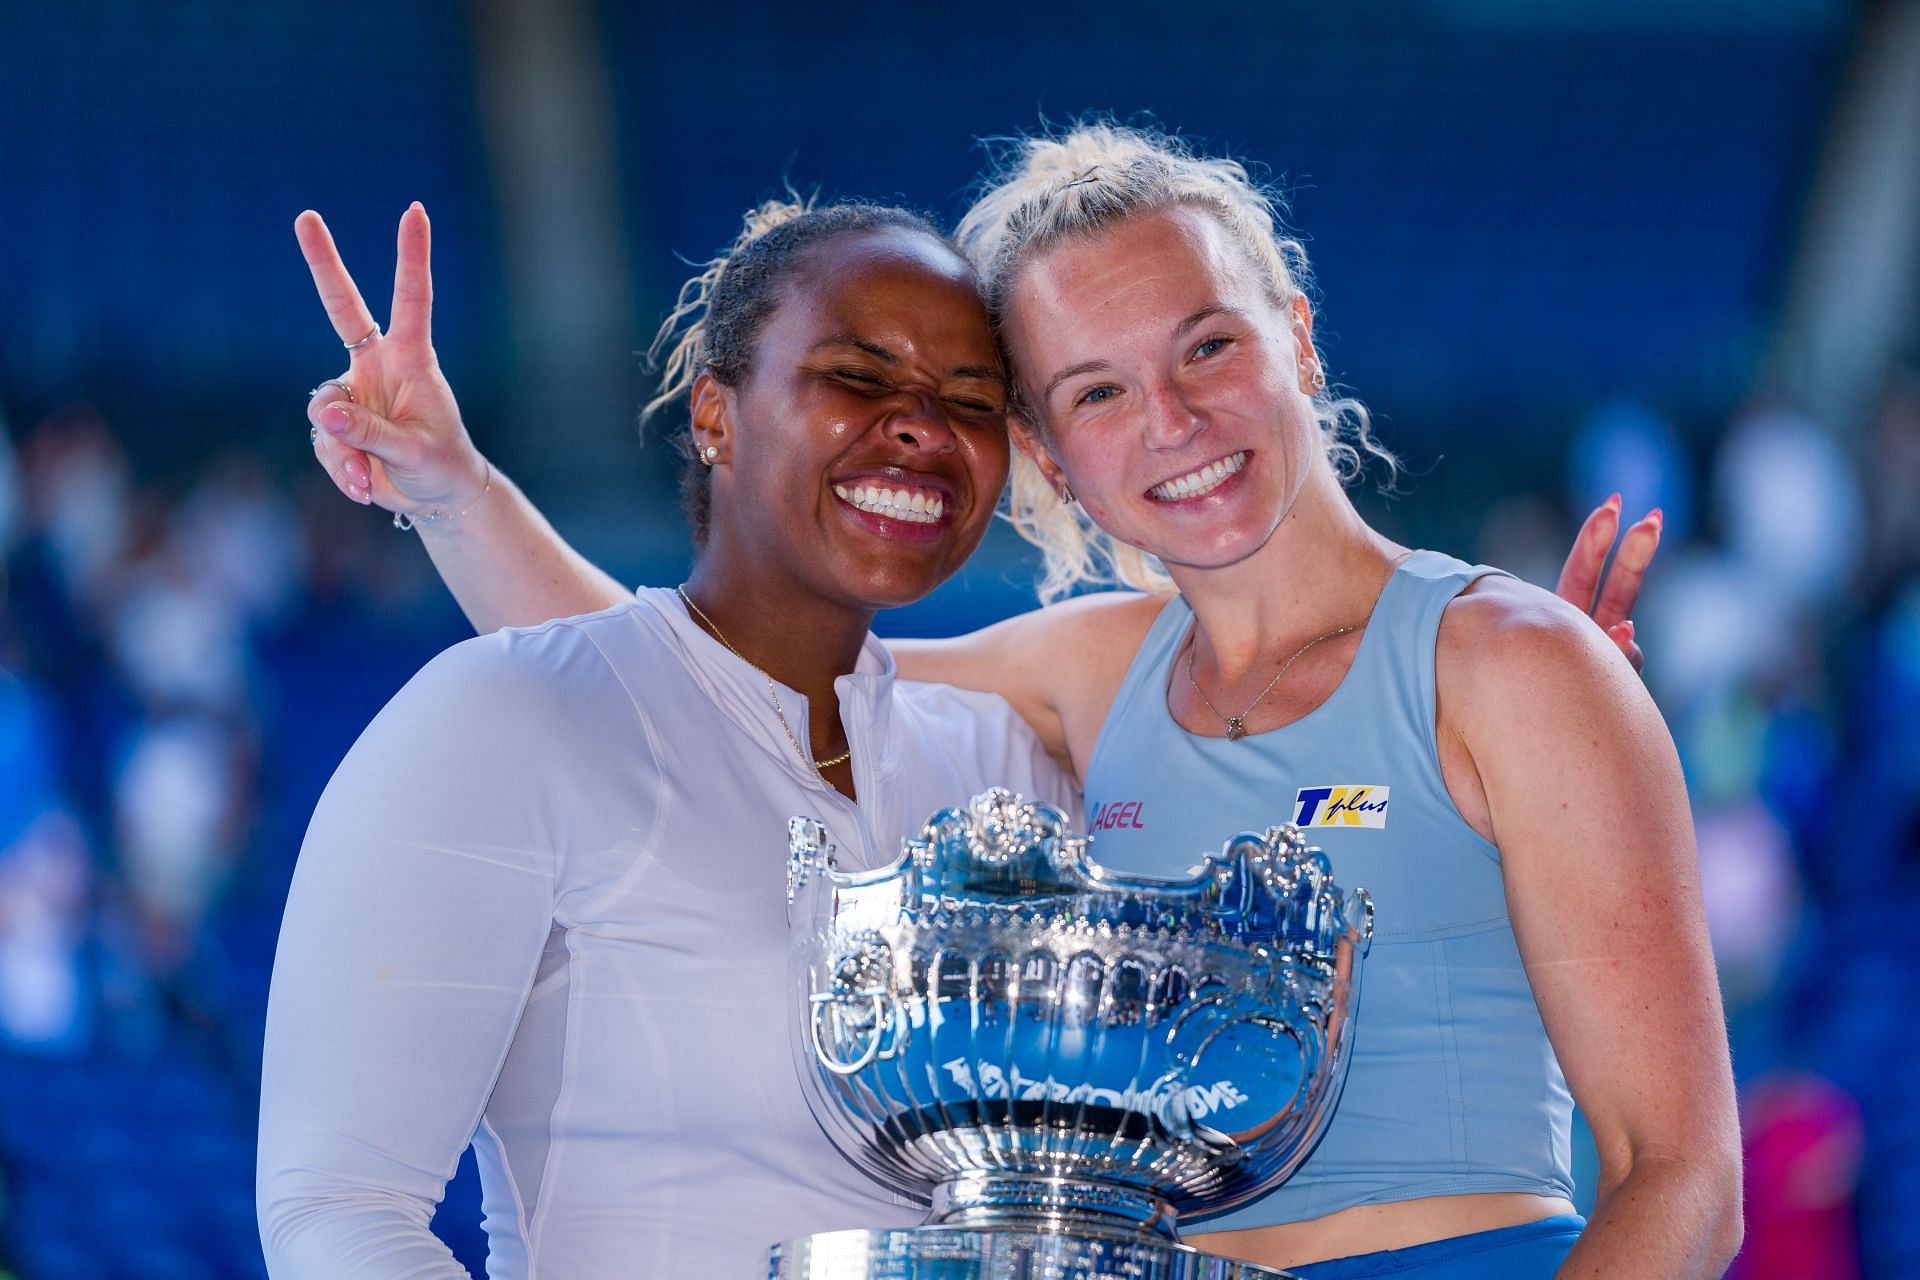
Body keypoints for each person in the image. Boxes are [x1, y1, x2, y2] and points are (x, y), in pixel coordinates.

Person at [283, 128, 1697, 1279]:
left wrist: (1551, 699)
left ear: (1298, 339)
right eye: (1097, 391)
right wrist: (453, 492)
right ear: (1053, 461)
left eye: (1208, 347)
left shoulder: (1509, 661)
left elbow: (1681, 1180)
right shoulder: (1091, 675)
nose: (1172, 423)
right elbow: (680, 684)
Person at [258, 200, 1077, 1277]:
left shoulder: (1013, 770)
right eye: (857, 376)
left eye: (969, 398)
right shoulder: (502, 713)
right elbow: (339, 1210)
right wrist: (461, 497)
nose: (921, 424)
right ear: (716, 415)